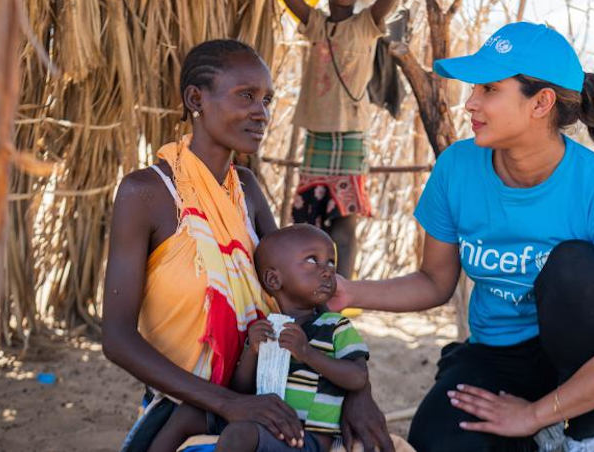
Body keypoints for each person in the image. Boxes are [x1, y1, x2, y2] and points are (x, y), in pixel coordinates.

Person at [328, 22, 594, 452]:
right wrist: (348, 292)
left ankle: (582, 437)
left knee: (573, 266)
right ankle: (539, 435)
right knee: (434, 440)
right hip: (498, 357)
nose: (469, 103)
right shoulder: (458, 167)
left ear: (541, 103)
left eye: (489, 89)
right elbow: (434, 281)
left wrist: (532, 413)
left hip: (592, 366)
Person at [102, 39, 394, 452]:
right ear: (195, 98)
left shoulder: (248, 190)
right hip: (186, 408)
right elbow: (116, 337)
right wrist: (228, 402)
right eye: (246, 97)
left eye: (267, 99)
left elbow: (294, 292)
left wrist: (359, 395)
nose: (262, 113)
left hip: (266, 393)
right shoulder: (146, 193)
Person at [147, 224, 370, 452]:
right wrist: (250, 351)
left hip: (305, 437)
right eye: (313, 261)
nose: (327, 271)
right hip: (263, 421)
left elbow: (358, 377)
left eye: (331, 262)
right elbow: (242, 390)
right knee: (187, 413)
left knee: (241, 434)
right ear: (274, 280)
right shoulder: (266, 326)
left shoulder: (335, 327)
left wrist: (307, 354)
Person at [282, 0, 397, 278]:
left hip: (351, 134)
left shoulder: (366, 24)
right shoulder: (317, 24)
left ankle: (340, 300)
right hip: (316, 133)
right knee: (309, 220)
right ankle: (308, 293)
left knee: (344, 223)